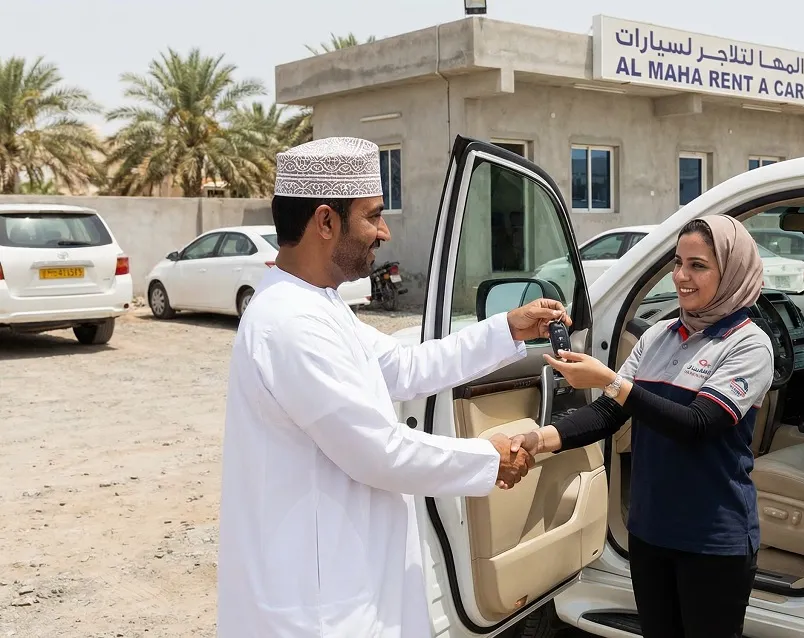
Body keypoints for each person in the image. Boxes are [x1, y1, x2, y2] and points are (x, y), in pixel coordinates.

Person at [216, 136, 569, 637]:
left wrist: (507, 329)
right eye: (372, 216)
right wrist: (488, 459)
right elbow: (376, 452)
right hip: (318, 606)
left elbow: (405, 366)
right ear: (324, 221)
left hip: (351, 577)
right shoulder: (290, 323)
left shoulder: (319, 305)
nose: (383, 231)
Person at [508, 215, 774, 638]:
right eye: (677, 262)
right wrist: (538, 439)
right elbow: (609, 413)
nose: (681, 277)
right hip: (651, 531)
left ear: (732, 273)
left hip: (712, 540)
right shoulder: (658, 336)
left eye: (698, 266)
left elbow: (698, 424)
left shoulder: (749, 344)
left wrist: (611, 381)